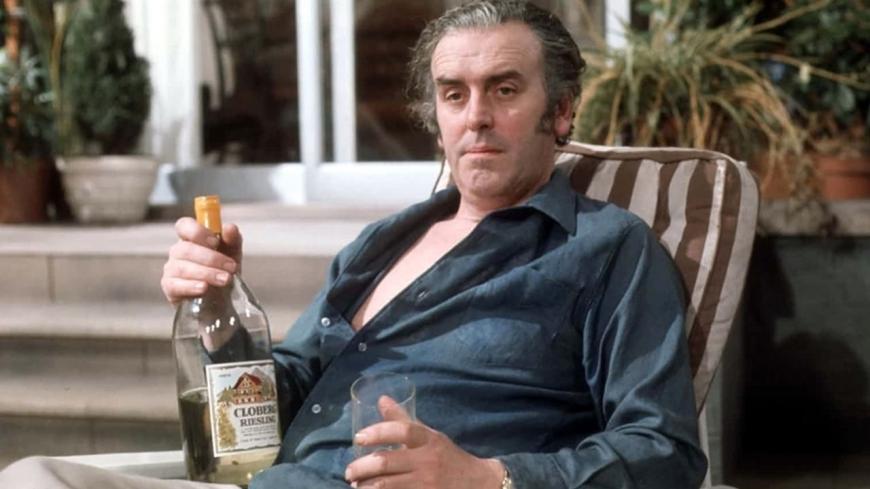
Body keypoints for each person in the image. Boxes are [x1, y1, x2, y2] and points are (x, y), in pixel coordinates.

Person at [0, 1, 706, 488]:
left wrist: (488, 477)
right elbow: (278, 398)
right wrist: (218, 313)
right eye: (454, 95)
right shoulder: (380, 245)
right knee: (31, 477)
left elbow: (664, 451)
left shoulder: (606, 249)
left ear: (561, 110)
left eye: (504, 89)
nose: (477, 117)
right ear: (436, 120)